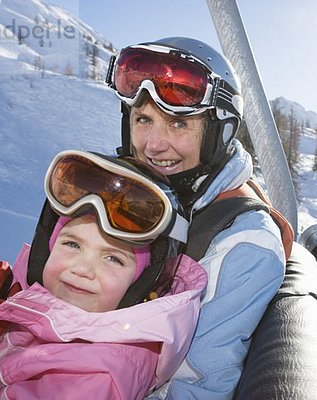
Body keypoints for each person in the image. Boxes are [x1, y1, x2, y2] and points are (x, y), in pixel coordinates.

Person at [0, 150, 207, 399]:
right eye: (72, 244)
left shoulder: (98, 374)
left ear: (144, 285)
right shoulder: (30, 306)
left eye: (113, 258)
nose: (82, 269)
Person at [106, 37, 288, 399]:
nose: (153, 145)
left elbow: (197, 388)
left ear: (218, 133)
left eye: (178, 124)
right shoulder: (145, 194)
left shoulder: (244, 245)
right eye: (143, 119)